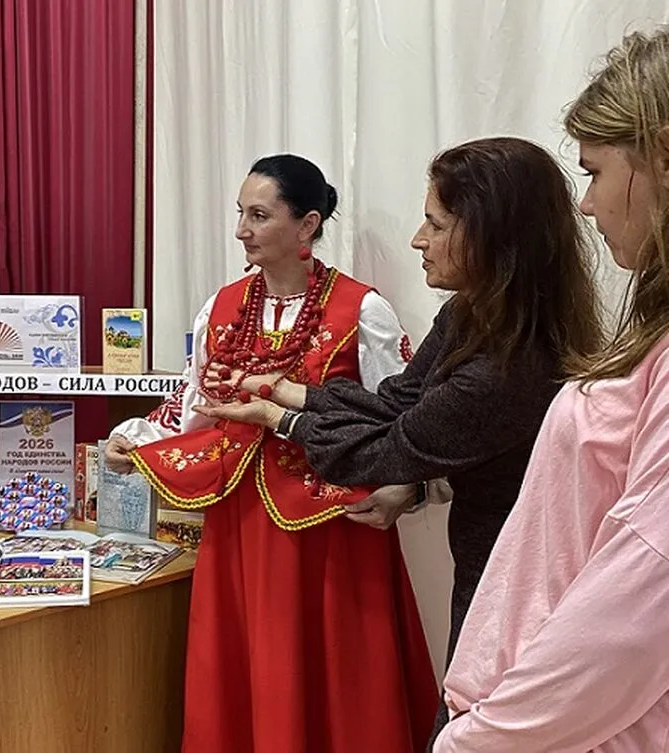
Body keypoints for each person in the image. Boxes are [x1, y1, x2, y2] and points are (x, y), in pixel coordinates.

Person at [194, 137, 603, 745]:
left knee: (464, 722)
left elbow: (392, 447)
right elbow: (396, 401)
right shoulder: (470, 315)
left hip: (513, 578)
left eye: (435, 224)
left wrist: (279, 418)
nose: (418, 239)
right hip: (461, 557)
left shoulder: (499, 361)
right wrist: (288, 392)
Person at [105, 154, 438, 753]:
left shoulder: (361, 311)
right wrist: (141, 437)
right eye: (241, 214)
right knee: (246, 664)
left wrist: (407, 487)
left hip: (333, 530)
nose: (242, 230)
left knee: (337, 671)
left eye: (259, 215)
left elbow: (401, 418)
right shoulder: (222, 307)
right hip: (240, 521)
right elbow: (194, 404)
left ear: (307, 224)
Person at [434, 29, 669, 751]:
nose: (588, 205)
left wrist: (483, 738)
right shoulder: (649, 331)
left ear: (662, 158)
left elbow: (643, 595)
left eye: (596, 173)